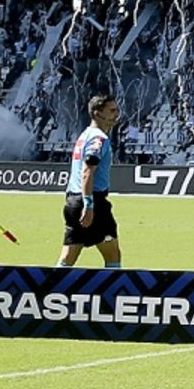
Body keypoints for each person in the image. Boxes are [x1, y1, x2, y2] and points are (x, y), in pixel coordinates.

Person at [59, 95, 122, 267]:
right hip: (92, 202)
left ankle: (47, 290)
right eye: (112, 110)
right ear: (97, 113)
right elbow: (87, 171)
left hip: (73, 200)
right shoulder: (99, 139)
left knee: (68, 257)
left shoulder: (84, 135)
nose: (117, 114)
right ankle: (114, 292)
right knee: (113, 256)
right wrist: (89, 204)